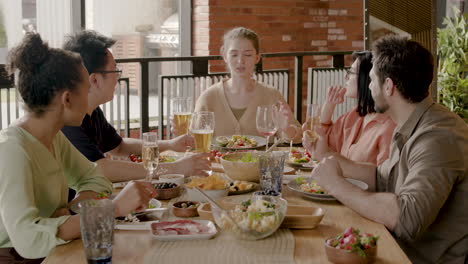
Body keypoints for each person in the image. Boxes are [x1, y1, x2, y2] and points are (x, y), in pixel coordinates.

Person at [303, 35, 468, 264]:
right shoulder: (413, 122)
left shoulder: (438, 138)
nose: (368, 87)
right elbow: (383, 177)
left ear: (388, 86)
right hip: (395, 248)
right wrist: (328, 157)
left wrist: (336, 184)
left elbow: (408, 219)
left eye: (371, 80)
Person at [0, 33, 156, 262]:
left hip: (56, 247)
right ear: (67, 99)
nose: (89, 96)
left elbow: (95, 178)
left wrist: (73, 210)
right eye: (85, 88)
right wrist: (110, 209)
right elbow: (28, 241)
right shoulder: (12, 150)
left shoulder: (53, 137)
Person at [61, 30, 211, 185]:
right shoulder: (68, 120)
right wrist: (175, 167)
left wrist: (170, 144)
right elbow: (100, 169)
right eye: (115, 71)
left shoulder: (91, 111)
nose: (117, 79)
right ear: (95, 80)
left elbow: (119, 147)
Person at [193, 27, 301, 141]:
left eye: (248, 55)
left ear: (257, 58)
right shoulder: (208, 98)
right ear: (225, 56)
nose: (240, 61)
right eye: (234, 55)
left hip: (261, 159)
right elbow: (193, 142)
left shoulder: (271, 95)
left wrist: (287, 129)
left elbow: (297, 138)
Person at [310, 51, 396, 165]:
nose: (346, 77)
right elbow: (322, 144)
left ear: (367, 78)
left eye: (351, 72)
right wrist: (329, 106)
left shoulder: (388, 126)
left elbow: (385, 178)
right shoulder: (354, 115)